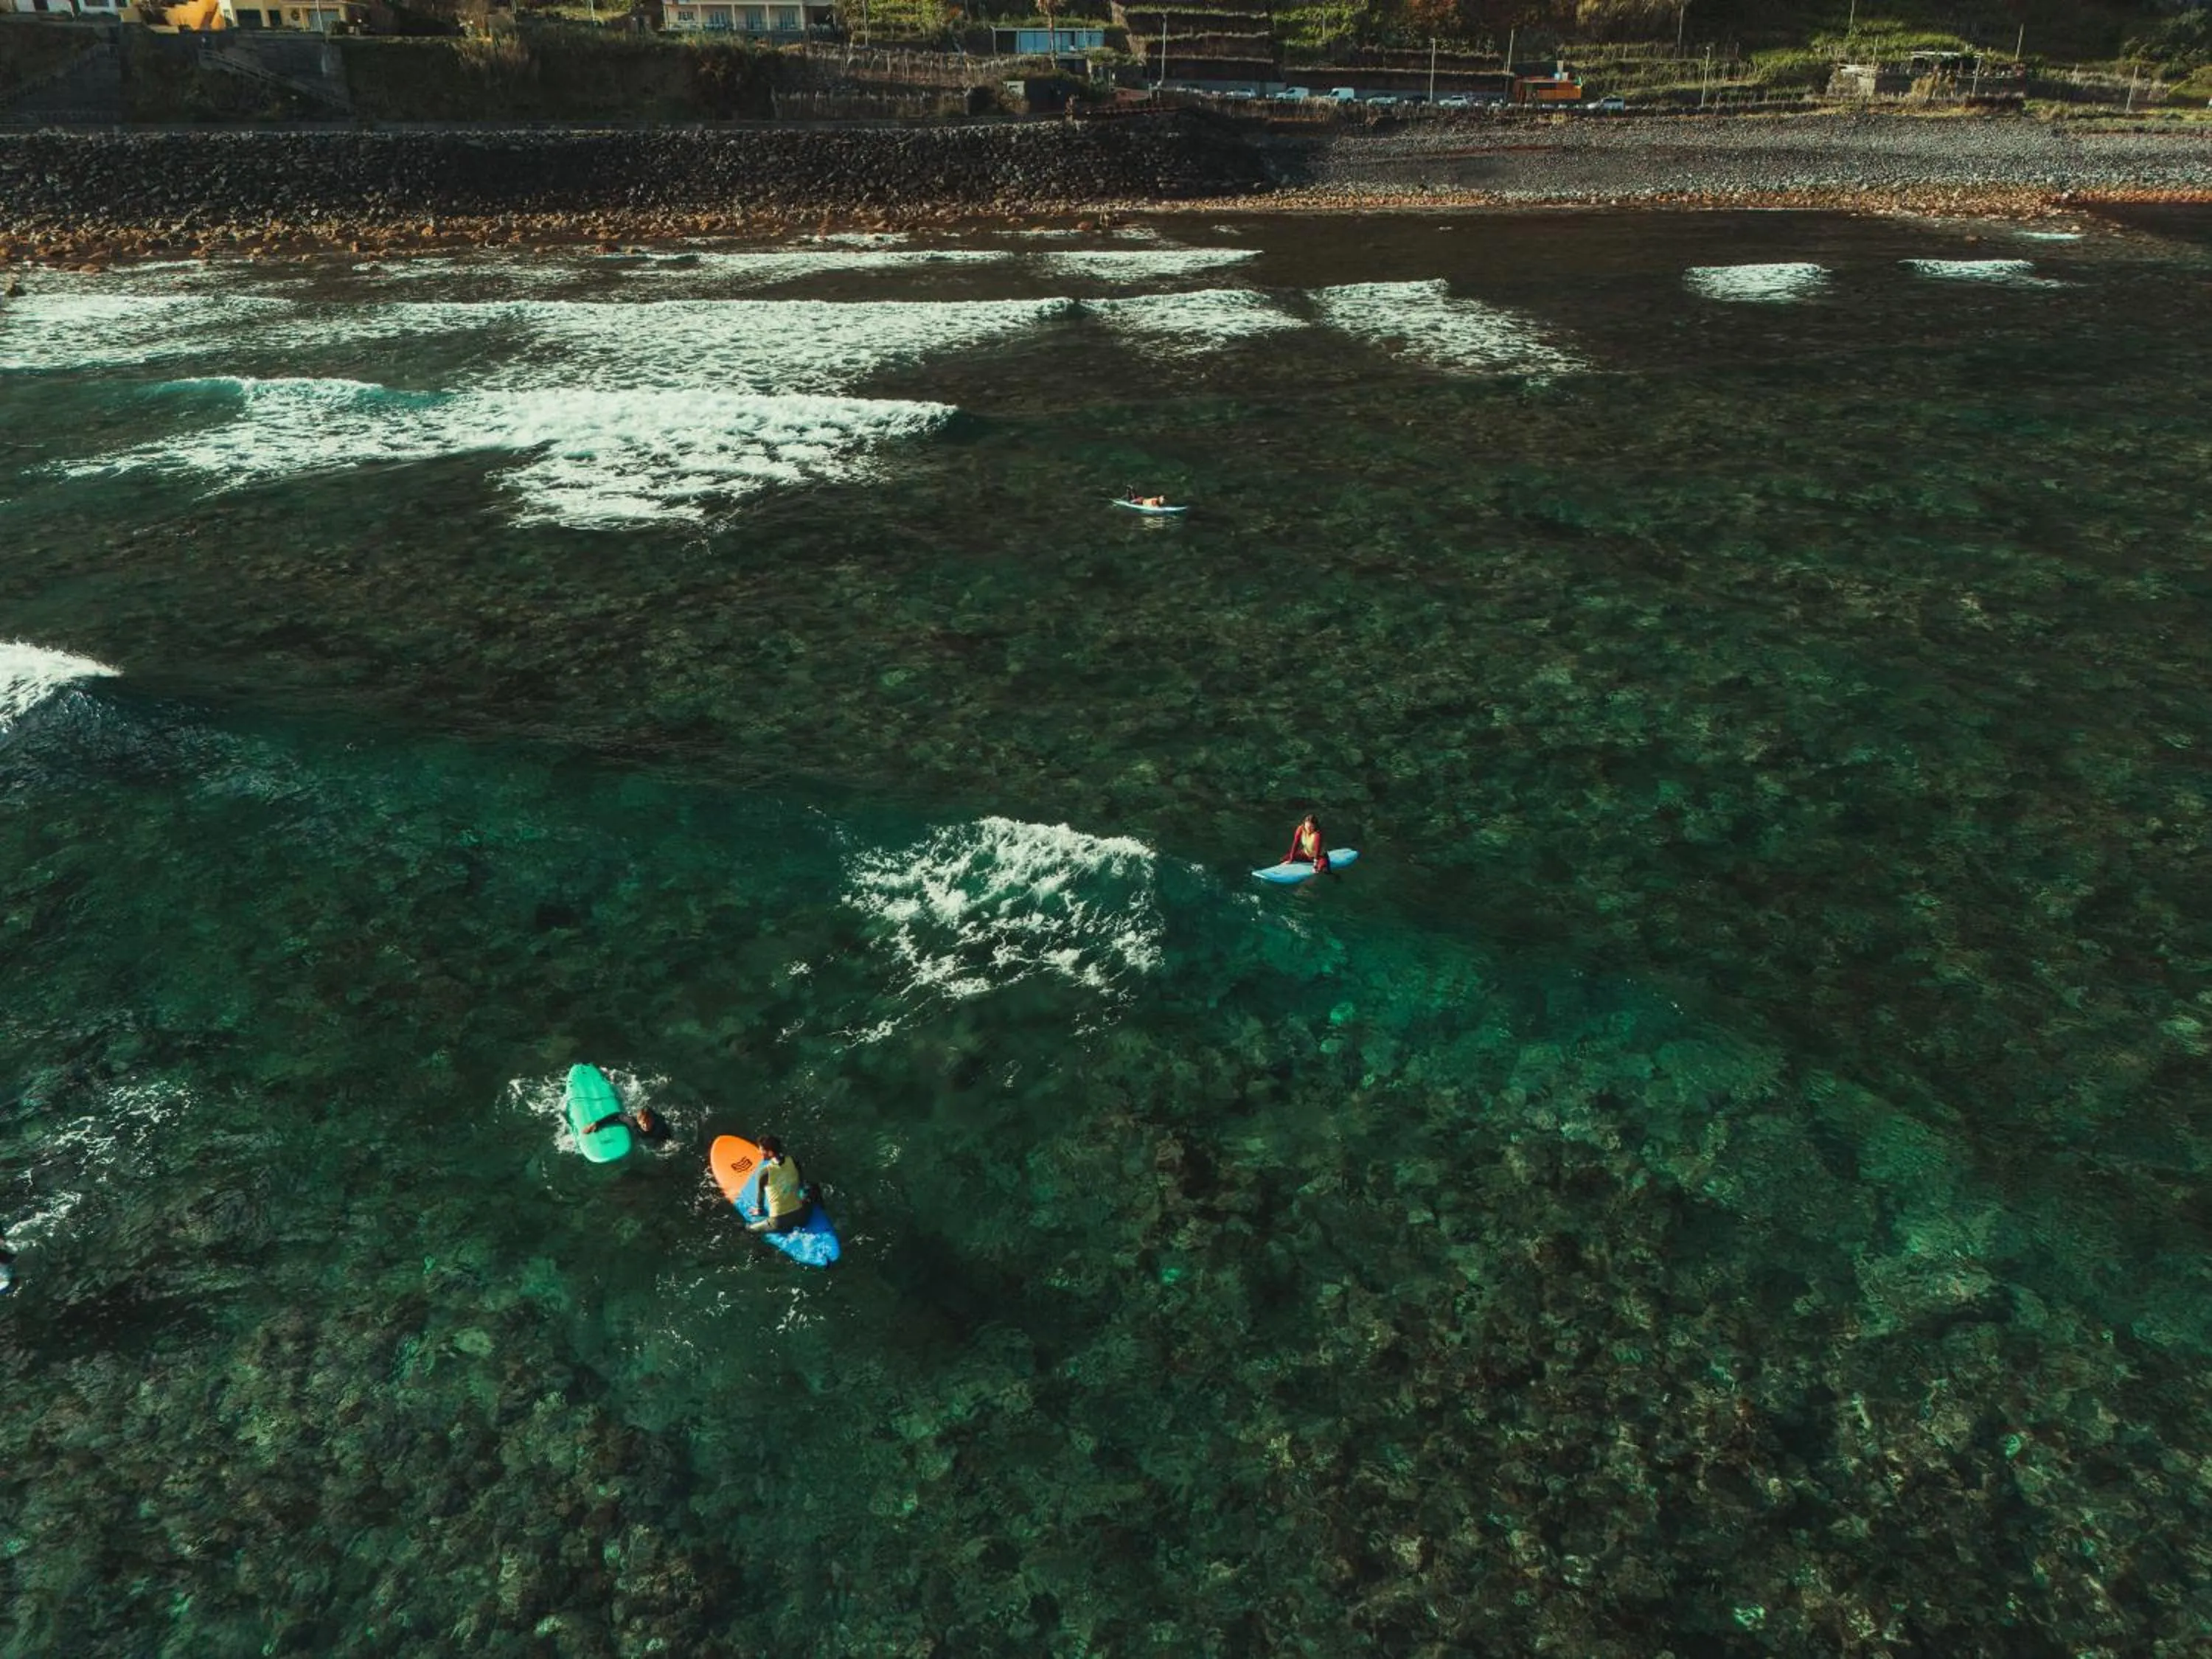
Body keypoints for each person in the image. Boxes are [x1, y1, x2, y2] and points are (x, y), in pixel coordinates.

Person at [746, 1136, 810, 1234]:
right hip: (801, 1217)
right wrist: (803, 1197)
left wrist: (759, 1210)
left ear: (770, 1152)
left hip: (778, 1222)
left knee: (748, 1228)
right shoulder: (793, 1161)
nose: (759, 1152)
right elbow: (801, 1183)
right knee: (812, 1189)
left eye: (762, 1150)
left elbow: (761, 1195)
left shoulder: (765, 1173)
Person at [584, 1101, 672, 1147]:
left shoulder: (660, 1127)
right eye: (643, 1123)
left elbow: (668, 1138)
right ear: (639, 1121)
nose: (645, 1126)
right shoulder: (634, 1123)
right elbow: (617, 1115)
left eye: (648, 1122)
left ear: (652, 1121)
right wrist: (597, 1123)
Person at [1283, 809, 1329, 875]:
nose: (1309, 829)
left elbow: (1317, 851)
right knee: (1285, 858)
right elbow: (1295, 844)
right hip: (1306, 855)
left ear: (1315, 826)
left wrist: (1315, 866)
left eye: (1311, 827)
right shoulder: (1300, 829)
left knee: (1324, 870)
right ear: (1304, 824)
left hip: (1319, 857)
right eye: (1307, 826)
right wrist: (1291, 859)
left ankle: (1335, 877)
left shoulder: (1317, 834)